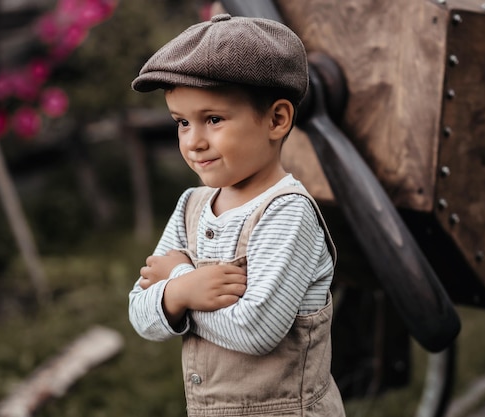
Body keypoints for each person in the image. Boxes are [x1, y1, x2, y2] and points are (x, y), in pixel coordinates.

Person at [128, 13, 345, 417]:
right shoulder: (191, 205)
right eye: (181, 123)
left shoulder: (287, 213)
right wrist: (179, 291)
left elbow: (256, 329)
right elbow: (140, 312)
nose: (194, 141)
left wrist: (176, 285)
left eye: (213, 119)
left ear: (277, 120)